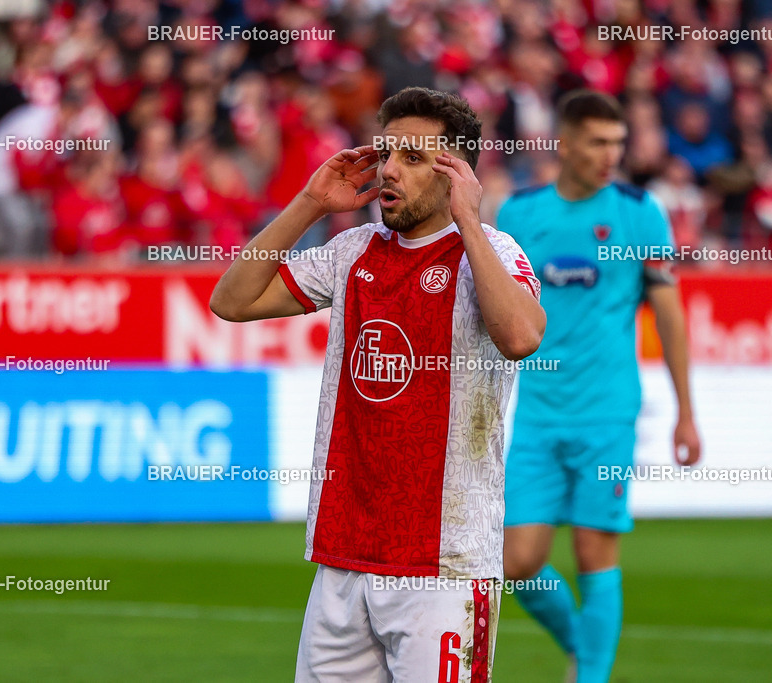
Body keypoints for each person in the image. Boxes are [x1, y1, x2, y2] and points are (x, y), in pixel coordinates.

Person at [210, 87, 545, 682]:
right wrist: (310, 204)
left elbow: (521, 336)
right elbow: (231, 301)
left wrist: (469, 218)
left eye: (413, 158)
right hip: (343, 557)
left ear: (457, 174)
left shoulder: (492, 253)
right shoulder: (352, 251)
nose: (389, 169)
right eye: (387, 152)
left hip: (444, 566)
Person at [499, 89, 702, 683]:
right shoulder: (519, 214)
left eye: (618, 142)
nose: (611, 154)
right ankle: (581, 649)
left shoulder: (641, 213)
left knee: (595, 552)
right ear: (564, 144)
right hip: (535, 415)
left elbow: (668, 313)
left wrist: (686, 412)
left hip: (608, 414)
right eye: (597, 142)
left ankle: (590, 677)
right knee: (517, 562)